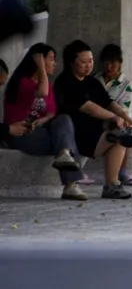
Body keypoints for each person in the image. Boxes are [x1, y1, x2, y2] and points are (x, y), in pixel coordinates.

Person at [1, 43, 86, 200]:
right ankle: (71, 184)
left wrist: (42, 120)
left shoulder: (50, 87)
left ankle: (65, 158)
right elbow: (42, 92)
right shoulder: (22, 82)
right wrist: (40, 65)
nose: (55, 64)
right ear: (38, 60)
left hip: (38, 131)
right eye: (51, 59)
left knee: (64, 120)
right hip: (19, 134)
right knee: (66, 142)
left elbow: (51, 113)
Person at [56, 40, 132, 200]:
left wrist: (127, 118)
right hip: (72, 136)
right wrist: (114, 117)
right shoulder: (65, 81)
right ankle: (114, 138)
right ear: (71, 62)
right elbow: (88, 107)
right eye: (84, 62)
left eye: (91, 61)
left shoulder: (91, 81)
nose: (88, 65)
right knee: (116, 135)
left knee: (119, 139)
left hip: (92, 134)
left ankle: (112, 185)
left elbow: (108, 102)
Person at [98, 44, 132, 185]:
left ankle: (122, 171)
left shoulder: (127, 84)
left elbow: (124, 108)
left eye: (113, 63)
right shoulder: (95, 80)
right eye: (106, 63)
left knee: (125, 129)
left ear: (120, 63)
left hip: (115, 120)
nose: (109, 67)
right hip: (95, 118)